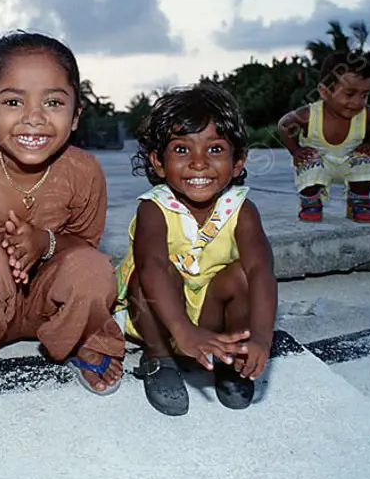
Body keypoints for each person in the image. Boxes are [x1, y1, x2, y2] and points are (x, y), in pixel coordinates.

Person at [0, 30, 125, 416]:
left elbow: (84, 244)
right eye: (14, 101)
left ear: (75, 116)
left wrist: (45, 243)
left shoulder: (84, 172)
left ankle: (81, 336)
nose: (34, 118)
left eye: (53, 102)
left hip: (49, 306)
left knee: (93, 269)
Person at [113, 84, 278, 417]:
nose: (199, 163)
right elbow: (153, 267)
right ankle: (159, 359)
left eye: (215, 149)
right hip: (160, 318)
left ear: (238, 161)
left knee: (244, 273)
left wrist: (261, 337)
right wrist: (183, 331)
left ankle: (231, 357)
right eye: (182, 150)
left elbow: (262, 271)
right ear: (158, 162)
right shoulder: (154, 208)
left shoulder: (241, 209)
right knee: (148, 275)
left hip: (210, 317)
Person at [277, 51, 370, 223]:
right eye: (349, 94)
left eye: (364, 95)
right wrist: (296, 151)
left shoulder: (366, 113)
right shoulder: (309, 114)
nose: (357, 102)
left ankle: (358, 201)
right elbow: (283, 125)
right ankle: (311, 201)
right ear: (325, 92)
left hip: (348, 163)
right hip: (319, 164)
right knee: (308, 159)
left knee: (366, 157)